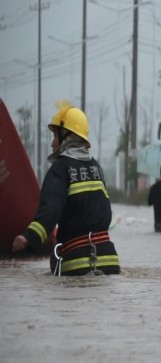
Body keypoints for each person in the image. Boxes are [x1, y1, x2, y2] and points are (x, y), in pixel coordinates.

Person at [12, 102, 120, 276]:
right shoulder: (95, 168)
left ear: (67, 137)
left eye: (55, 136)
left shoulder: (60, 169)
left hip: (77, 263)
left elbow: (49, 213)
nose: (53, 144)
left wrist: (27, 237)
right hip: (110, 261)